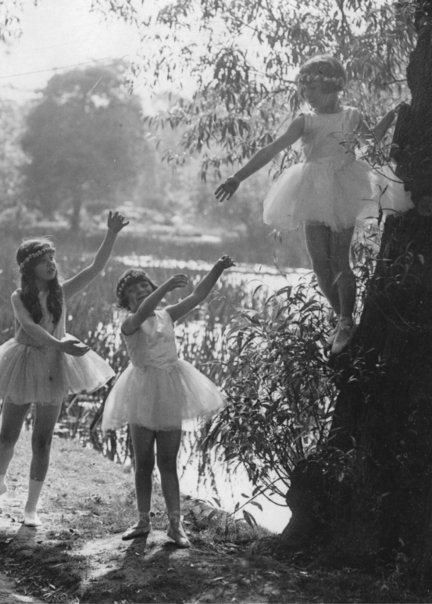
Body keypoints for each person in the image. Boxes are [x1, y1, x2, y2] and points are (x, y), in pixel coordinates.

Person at [215, 54, 412, 355]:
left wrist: (392, 115)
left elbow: (370, 140)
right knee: (320, 264)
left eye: (312, 90)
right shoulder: (305, 121)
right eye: (304, 91)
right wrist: (237, 176)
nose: (307, 96)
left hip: (344, 184)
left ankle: (346, 322)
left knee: (340, 260)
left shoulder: (351, 115)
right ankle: (342, 317)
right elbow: (272, 148)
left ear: (332, 88)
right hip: (312, 187)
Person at [0, 211, 128, 527]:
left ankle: (31, 505)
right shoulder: (19, 296)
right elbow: (30, 328)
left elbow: (95, 269)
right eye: (44, 260)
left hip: (55, 366)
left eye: (53, 259)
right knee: (8, 433)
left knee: (42, 439)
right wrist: (59, 345)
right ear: (29, 267)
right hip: (24, 362)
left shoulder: (60, 292)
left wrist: (111, 233)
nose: (52, 264)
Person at [102, 258, 232, 547]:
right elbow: (145, 308)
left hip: (171, 387)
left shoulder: (167, 315)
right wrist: (162, 288)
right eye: (133, 291)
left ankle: (176, 523)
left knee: (168, 462)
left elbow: (197, 296)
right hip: (142, 392)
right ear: (125, 301)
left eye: (143, 286)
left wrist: (217, 269)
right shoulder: (129, 323)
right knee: (143, 462)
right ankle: (142, 520)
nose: (140, 292)